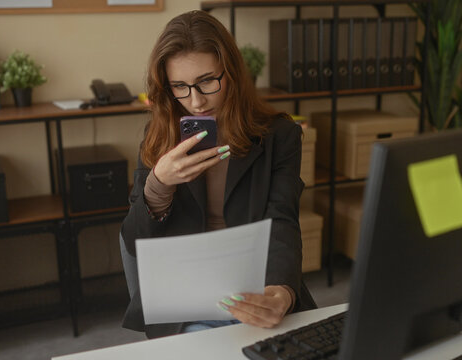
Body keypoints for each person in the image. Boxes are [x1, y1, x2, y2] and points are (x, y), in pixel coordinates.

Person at [120, 10, 316, 339]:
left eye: (207, 81)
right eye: (180, 86)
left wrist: (281, 291)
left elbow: (282, 220)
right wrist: (159, 184)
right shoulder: (158, 136)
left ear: (232, 73)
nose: (195, 101)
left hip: (257, 284)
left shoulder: (279, 135)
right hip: (185, 298)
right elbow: (135, 242)